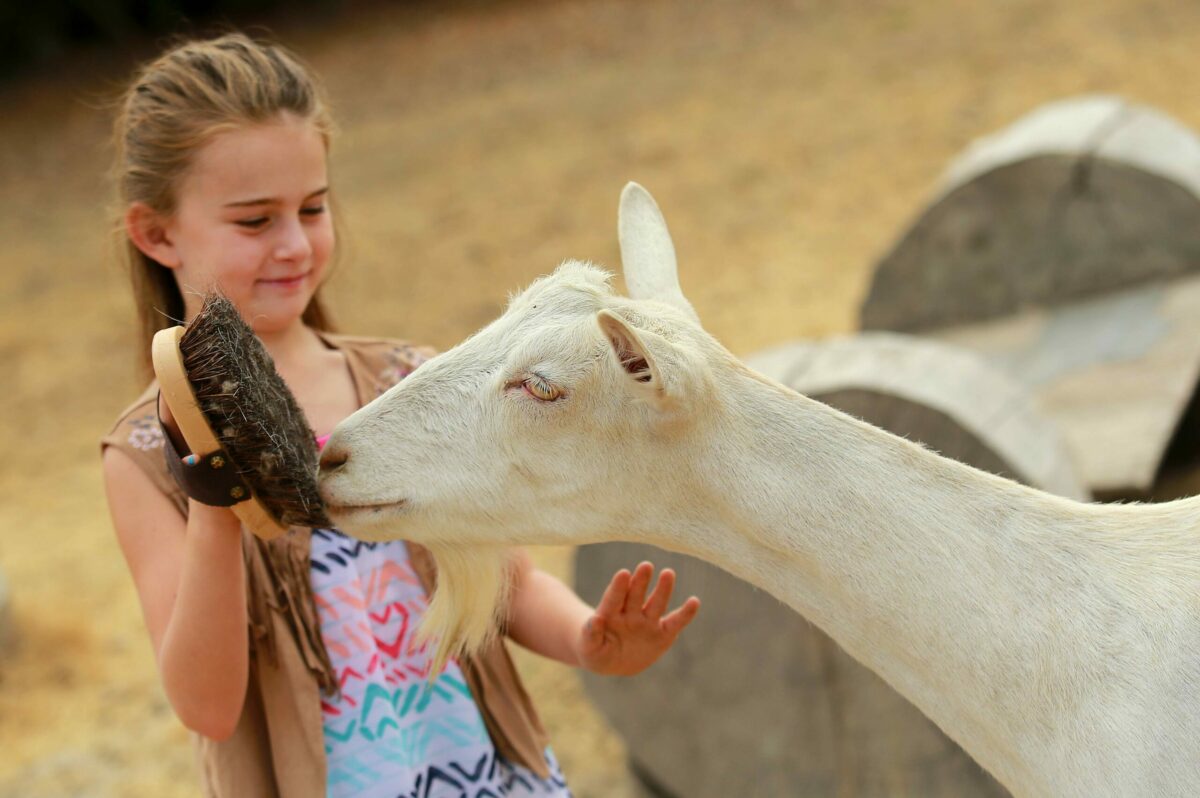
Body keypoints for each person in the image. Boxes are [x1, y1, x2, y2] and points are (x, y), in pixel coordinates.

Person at [100, 33, 700, 798]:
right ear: (156, 233)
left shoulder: (407, 380)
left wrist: (589, 640)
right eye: (254, 221)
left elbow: (504, 579)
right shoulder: (144, 453)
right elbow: (209, 710)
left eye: (312, 208)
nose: (294, 244)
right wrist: (216, 505)